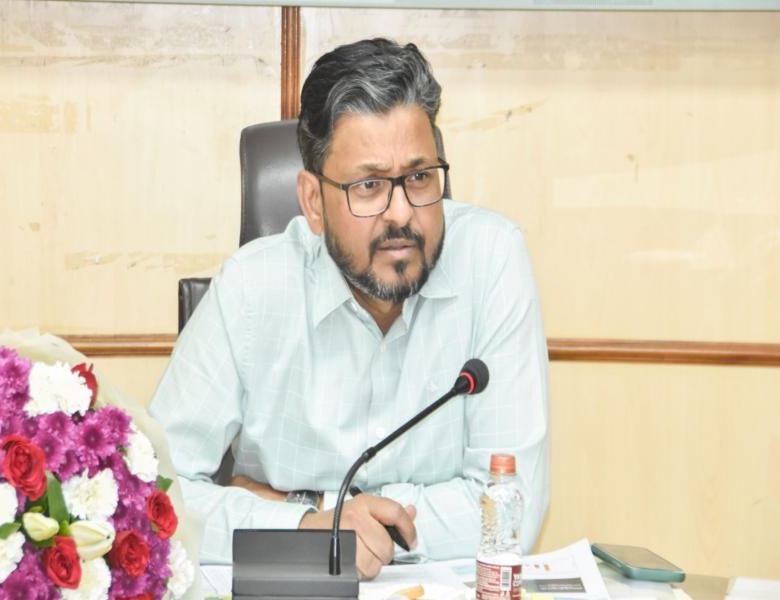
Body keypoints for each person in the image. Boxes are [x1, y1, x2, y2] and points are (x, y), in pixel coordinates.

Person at [148, 38, 549, 579]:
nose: (401, 213)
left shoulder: (491, 260)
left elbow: (511, 506)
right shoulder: (251, 289)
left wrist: (309, 509)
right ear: (313, 202)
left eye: (420, 177)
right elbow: (156, 495)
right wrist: (307, 528)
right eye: (368, 186)